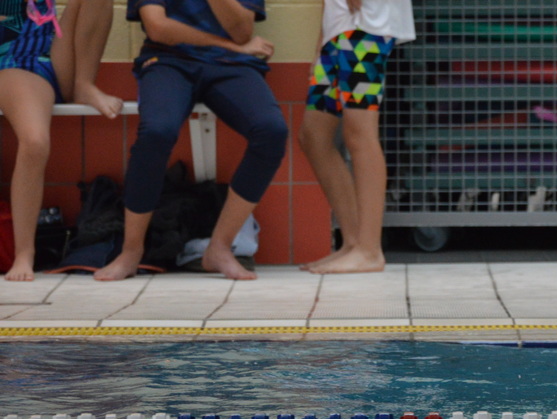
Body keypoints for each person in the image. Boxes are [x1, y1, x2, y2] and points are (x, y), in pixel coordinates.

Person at [93, 0, 287, 281]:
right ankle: (131, 252)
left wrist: (231, 46)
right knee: (157, 132)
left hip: (231, 64)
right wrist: (228, 45)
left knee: (272, 132)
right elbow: (158, 28)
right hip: (168, 60)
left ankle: (219, 248)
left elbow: (242, 32)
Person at [1, 0, 123, 282]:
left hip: (53, 52)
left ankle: (85, 85)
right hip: (13, 61)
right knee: (35, 142)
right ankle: (24, 252)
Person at [297, 0, 415, 274]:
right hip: (337, 30)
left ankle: (369, 250)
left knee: (359, 132)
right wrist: (321, 41)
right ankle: (353, 243)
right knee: (313, 135)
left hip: (365, 27)